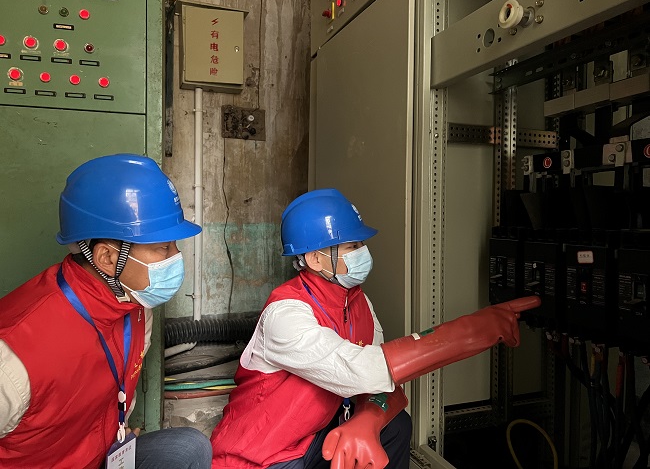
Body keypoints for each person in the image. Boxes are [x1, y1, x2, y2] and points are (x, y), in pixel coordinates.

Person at [209, 188, 540, 469]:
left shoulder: (358, 302)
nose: (362, 253)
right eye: (351, 246)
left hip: (313, 435)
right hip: (264, 454)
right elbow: (362, 370)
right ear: (315, 259)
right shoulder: (285, 313)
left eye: (360, 244)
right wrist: (467, 333)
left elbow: (383, 381)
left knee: (395, 426)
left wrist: (368, 420)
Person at [0, 154, 213, 468]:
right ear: (108, 258)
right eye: (163, 248)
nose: (175, 257)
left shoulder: (135, 307)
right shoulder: (14, 353)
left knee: (188, 447)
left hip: (99, 457)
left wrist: (117, 439)